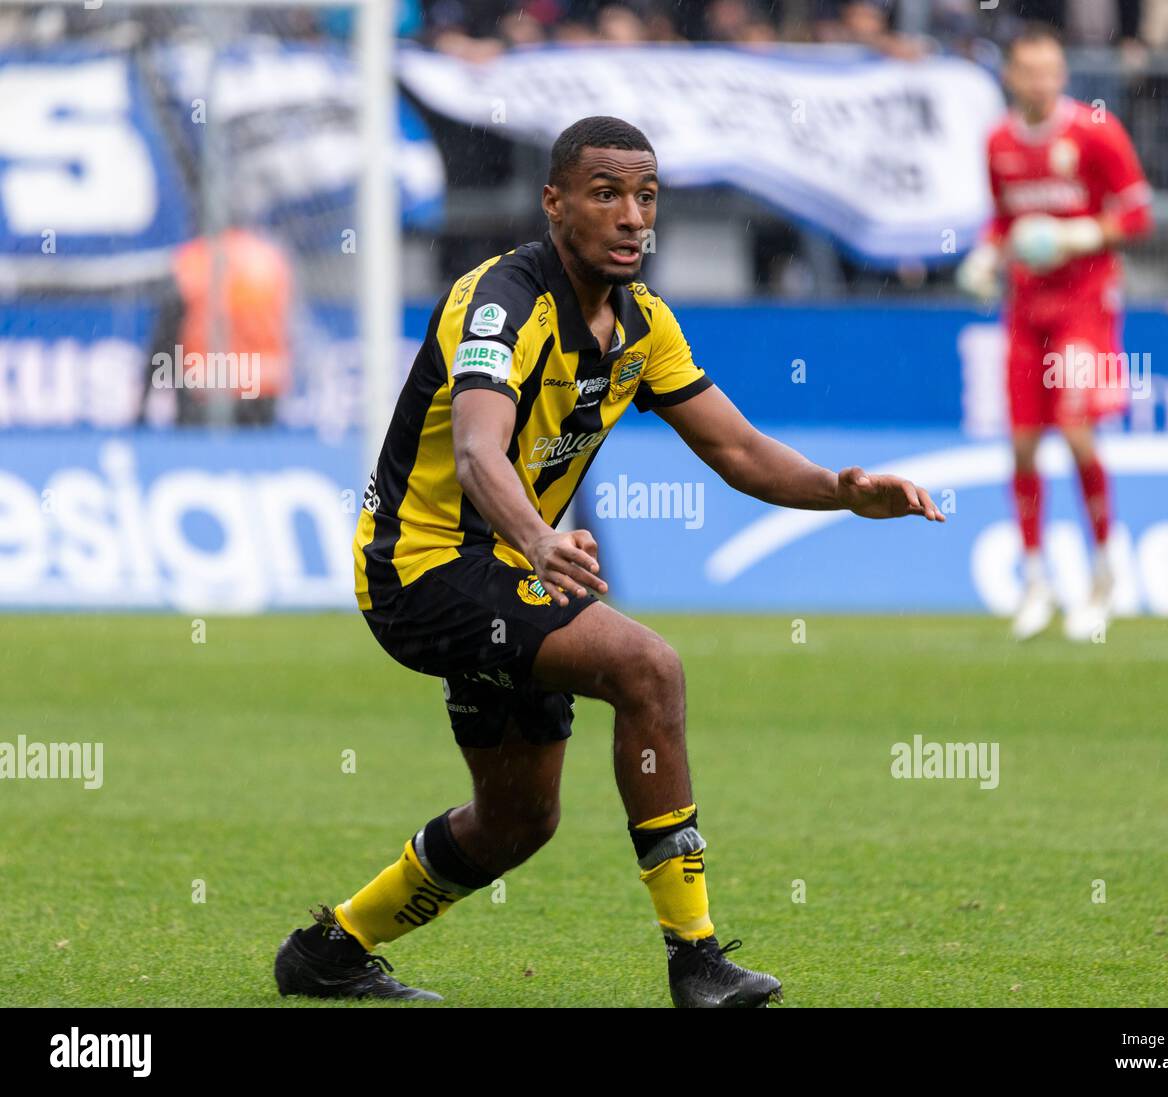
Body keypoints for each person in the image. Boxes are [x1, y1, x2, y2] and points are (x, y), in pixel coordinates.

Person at [274, 115, 945, 1008]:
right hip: (422, 566)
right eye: (607, 194)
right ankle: (696, 960)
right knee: (648, 668)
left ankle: (330, 949)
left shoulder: (643, 324)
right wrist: (541, 538)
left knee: (518, 821)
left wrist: (841, 489)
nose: (633, 217)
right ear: (555, 204)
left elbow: (738, 452)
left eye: (646, 196)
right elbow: (478, 454)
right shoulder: (500, 303)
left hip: (511, 571)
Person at [956, 24, 1152, 641]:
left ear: (1062, 75)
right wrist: (986, 258)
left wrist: (1081, 234)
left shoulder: (1096, 132)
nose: (1041, 81)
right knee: (1019, 442)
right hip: (1027, 308)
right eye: (1030, 71)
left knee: (1075, 430)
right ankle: (1036, 580)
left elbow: (1140, 213)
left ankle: (1104, 573)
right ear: (1011, 77)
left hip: (1086, 304)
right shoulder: (999, 143)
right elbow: (1003, 222)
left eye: (1051, 70)